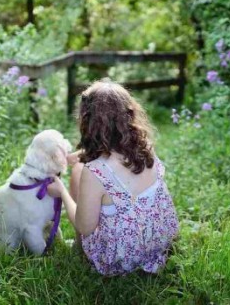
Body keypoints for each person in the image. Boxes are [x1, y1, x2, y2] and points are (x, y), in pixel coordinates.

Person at [47, 80, 179, 276]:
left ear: (88, 121)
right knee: (83, 169)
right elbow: (117, 161)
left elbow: (86, 227)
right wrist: (84, 154)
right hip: (159, 243)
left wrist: (62, 192)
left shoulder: (94, 171)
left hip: (121, 258)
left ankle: (79, 248)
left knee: (78, 172)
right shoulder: (146, 148)